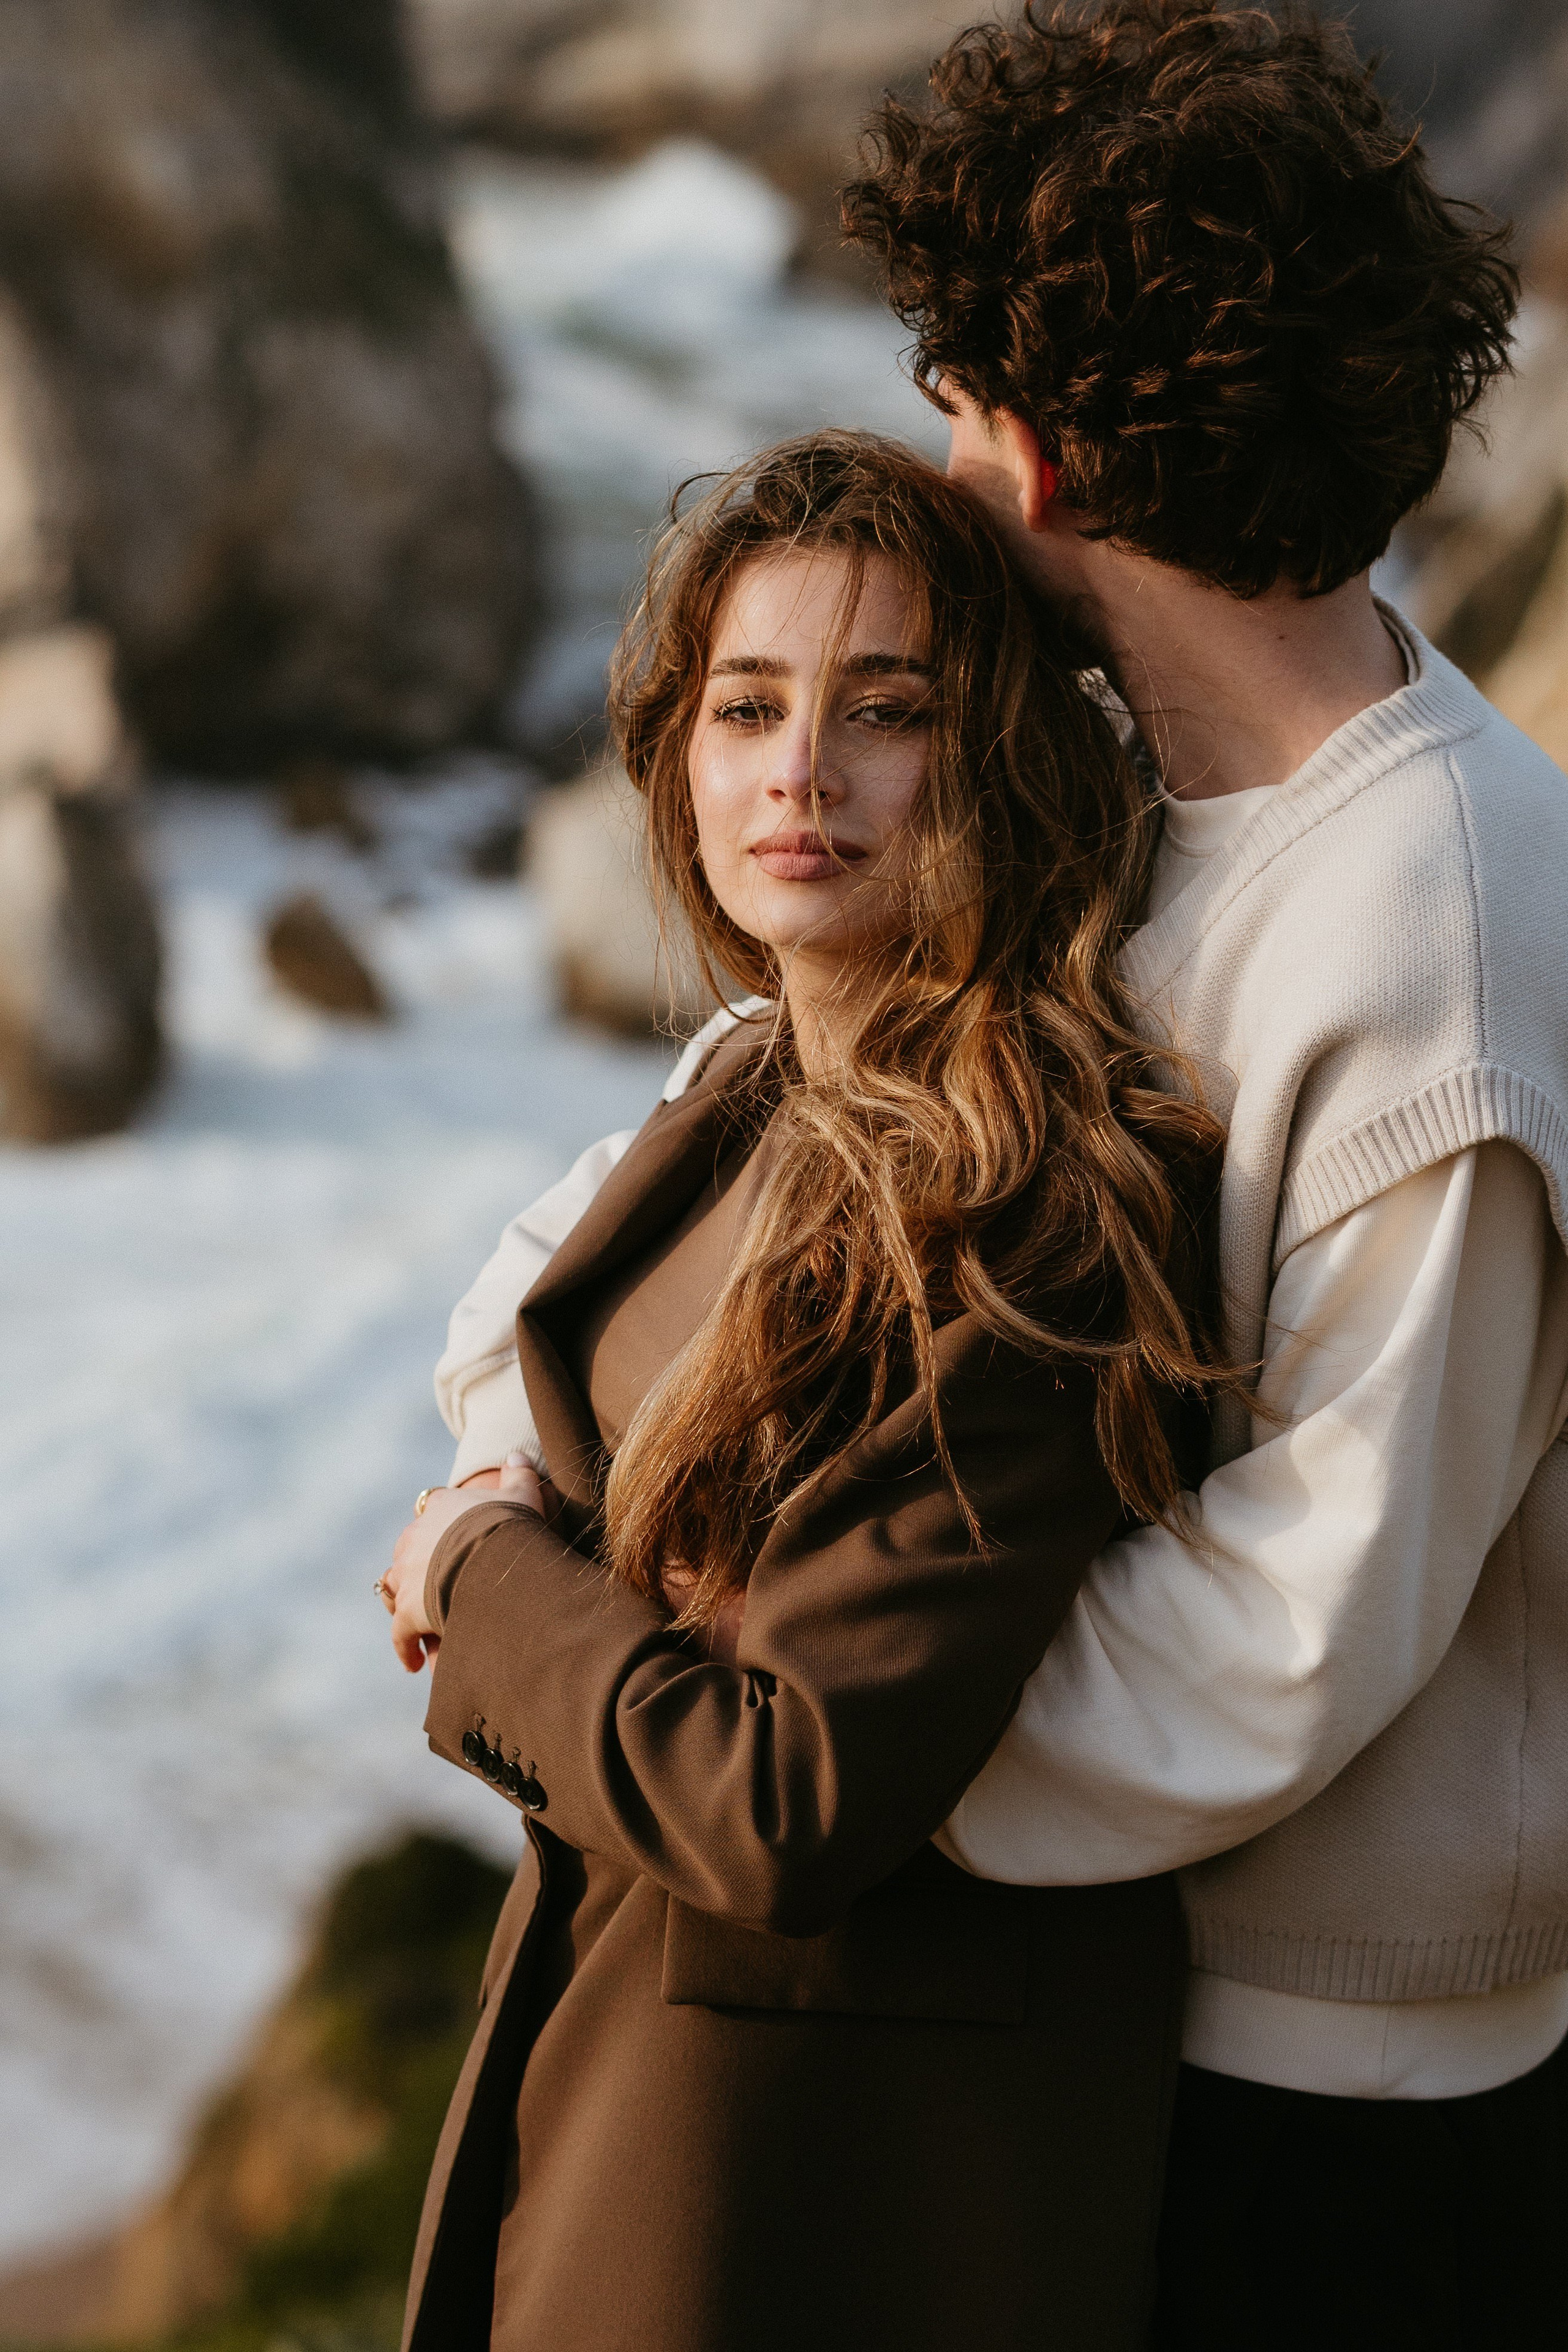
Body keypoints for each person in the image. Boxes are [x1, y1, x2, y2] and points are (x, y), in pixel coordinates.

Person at [437, 5, 1568, 2345]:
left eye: (955, 408)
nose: (936, 467)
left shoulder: (1433, 943)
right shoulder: (1142, 792)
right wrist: (544, 1497)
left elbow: (1284, 1645)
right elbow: (772, 1093)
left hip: (1334, 2098)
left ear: (1044, 461)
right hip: (1101, 2007)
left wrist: (734, 1701)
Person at [379, 432, 1229, 2352]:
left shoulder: (1044, 1203)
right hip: (615, 2059)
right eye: (748, 704)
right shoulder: (750, 1087)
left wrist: (478, 1578)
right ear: (680, 754)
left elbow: (780, 1795)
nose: (800, 774)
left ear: (997, 752)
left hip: (826, 2185)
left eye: (886, 710)